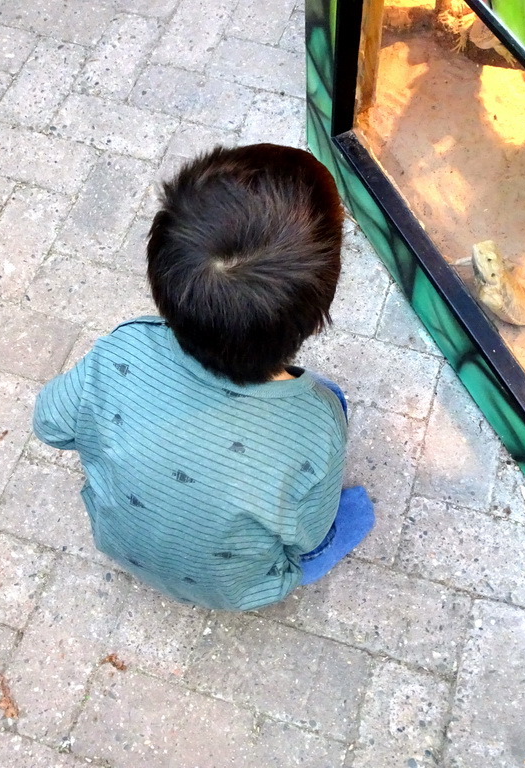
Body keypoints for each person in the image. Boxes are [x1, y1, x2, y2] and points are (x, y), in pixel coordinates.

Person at [33, 143, 374, 611]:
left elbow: (50, 425)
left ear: (162, 278)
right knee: (337, 522)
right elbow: (307, 533)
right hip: (237, 591)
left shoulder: (123, 347)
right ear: (316, 315)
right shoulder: (315, 427)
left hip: (118, 541)